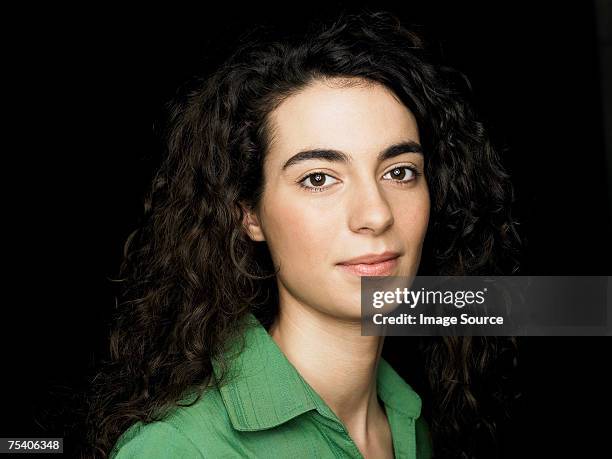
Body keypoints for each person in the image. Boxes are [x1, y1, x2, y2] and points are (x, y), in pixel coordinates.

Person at [84, 9, 520, 459]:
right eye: (318, 178)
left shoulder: (412, 426)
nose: (375, 214)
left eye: (400, 171)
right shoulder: (179, 448)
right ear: (248, 214)